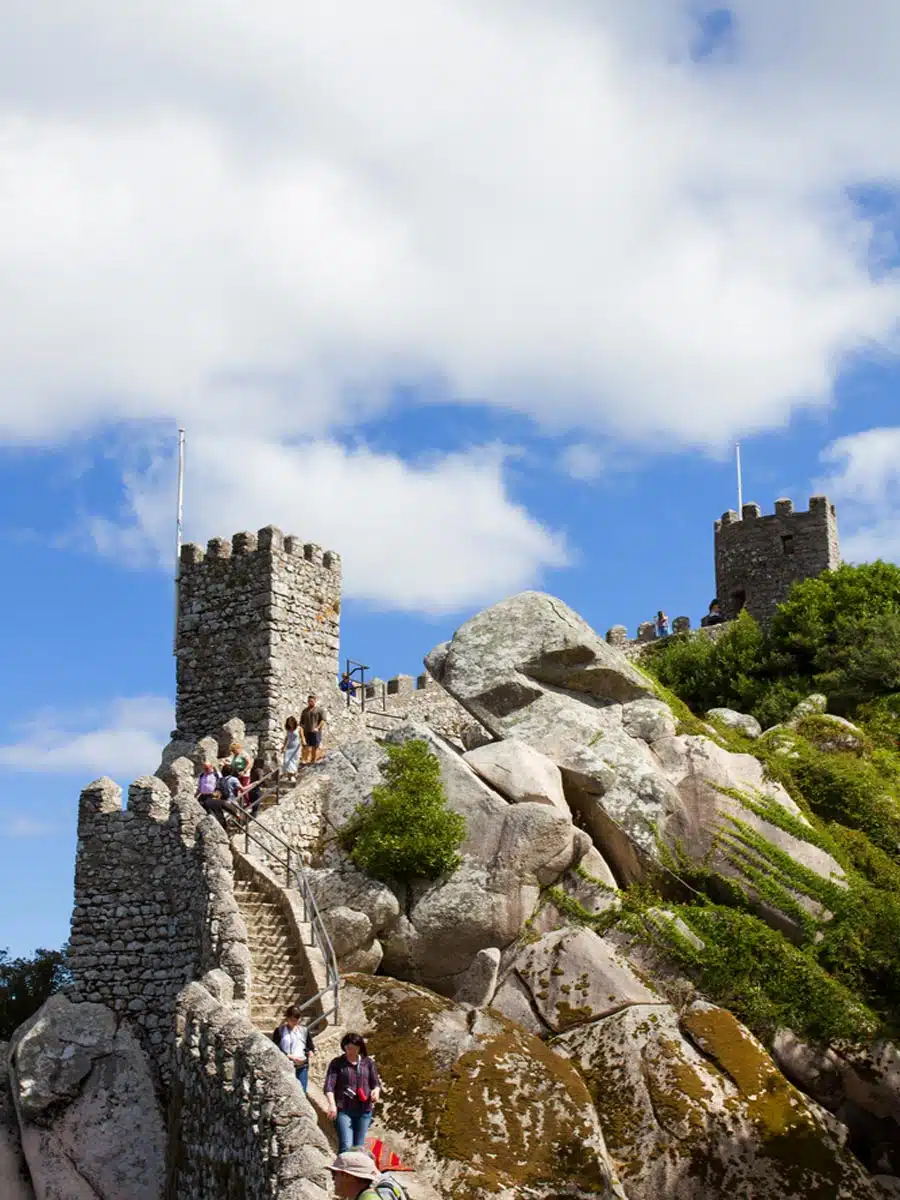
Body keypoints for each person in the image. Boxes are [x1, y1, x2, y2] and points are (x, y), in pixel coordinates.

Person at [324, 1033, 382, 1153]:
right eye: (348, 1048)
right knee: (346, 1145)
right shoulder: (337, 1063)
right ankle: (342, 1169)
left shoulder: (368, 1063)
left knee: (358, 1147)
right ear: (344, 1047)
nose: (351, 1051)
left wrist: (376, 1092)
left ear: (360, 1048)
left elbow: (375, 1083)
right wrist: (332, 1104)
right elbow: (329, 1086)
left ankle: (351, 1170)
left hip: (364, 1110)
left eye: (354, 1048)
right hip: (344, 1109)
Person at [276, 1004, 314, 1093]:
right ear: (287, 1018)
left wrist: (310, 1052)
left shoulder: (304, 1031)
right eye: (292, 1020)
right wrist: (290, 1056)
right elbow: (276, 1049)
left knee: (301, 1091)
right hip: (285, 1065)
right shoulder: (279, 1031)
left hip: (302, 1066)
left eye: (297, 1020)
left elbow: (310, 1046)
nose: (295, 1022)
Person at [300, 694, 326, 765]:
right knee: (306, 747)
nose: (310, 702)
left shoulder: (320, 710)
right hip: (306, 732)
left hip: (316, 732)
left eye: (311, 701)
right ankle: (304, 761)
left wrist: (317, 728)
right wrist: (301, 733)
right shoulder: (304, 711)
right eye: (308, 701)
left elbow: (323, 720)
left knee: (315, 747)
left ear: (315, 701)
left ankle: (313, 762)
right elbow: (301, 723)